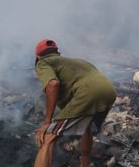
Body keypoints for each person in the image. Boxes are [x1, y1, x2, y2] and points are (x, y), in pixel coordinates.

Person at [33, 39, 116, 167]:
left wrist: (47, 121)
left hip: (88, 93)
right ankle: (85, 164)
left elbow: (52, 84)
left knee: (48, 138)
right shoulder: (80, 62)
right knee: (86, 127)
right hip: (109, 91)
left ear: (38, 56)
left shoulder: (43, 63)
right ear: (58, 53)